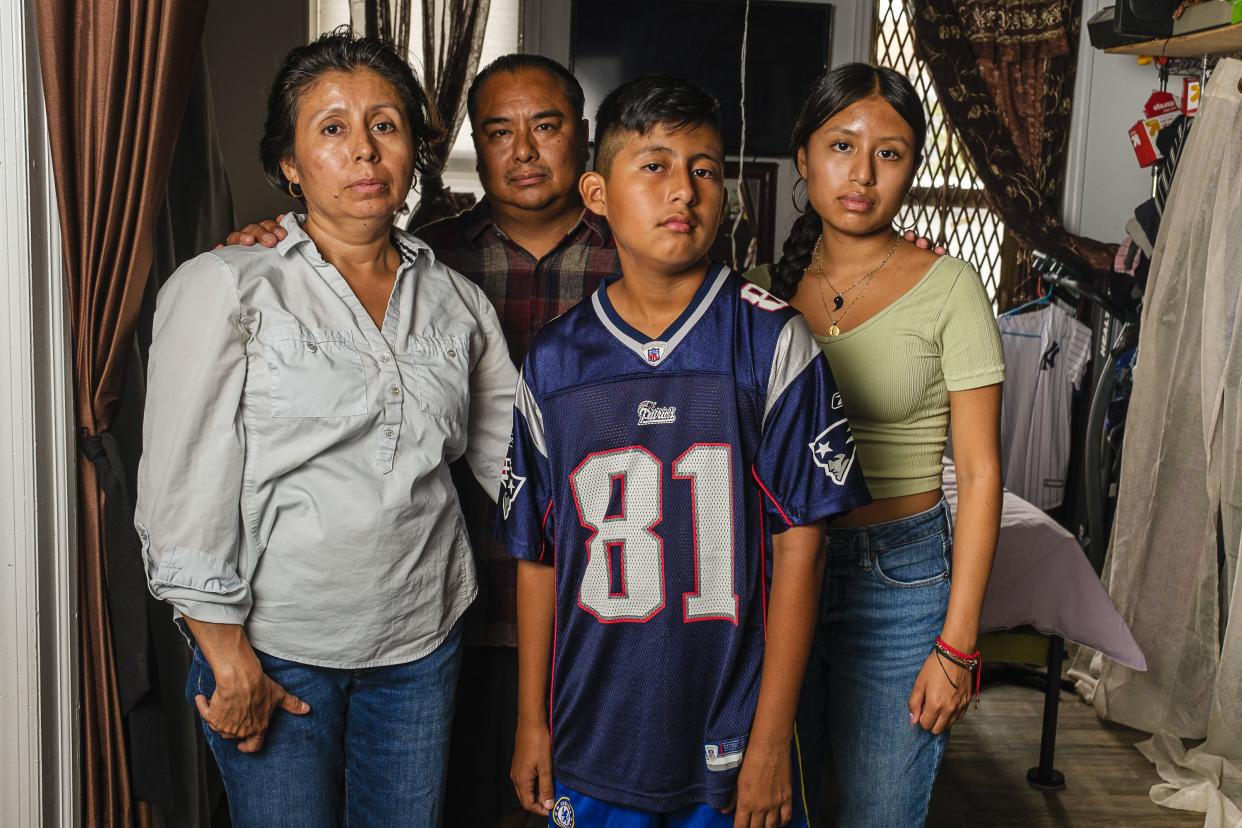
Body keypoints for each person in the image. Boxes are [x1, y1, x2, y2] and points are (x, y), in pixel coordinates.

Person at [135, 29, 517, 828]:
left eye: (385, 124)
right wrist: (226, 656)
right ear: (289, 162)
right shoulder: (227, 287)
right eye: (332, 128)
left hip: (421, 644)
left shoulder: (456, 301)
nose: (364, 150)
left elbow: (517, 463)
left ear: (414, 149)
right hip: (274, 651)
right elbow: (183, 488)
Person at [499, 74, 870, 828]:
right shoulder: (554, 362)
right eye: (656, 166)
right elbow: (536, 556)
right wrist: (532, 720)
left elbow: (803, 548)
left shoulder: (770, 342)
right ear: (597, 192)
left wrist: (770, 743)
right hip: (592, 731)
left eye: (705, 170)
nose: (686, 191)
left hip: (730, 737)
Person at [745, 63, 1004, 827]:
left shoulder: (949, 286)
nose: (862, 173)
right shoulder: (755, 289)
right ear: (803, 156)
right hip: (778, 571)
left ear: (913, 167)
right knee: (773, 806)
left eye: (889, 153)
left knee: (875, 812)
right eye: (841, 146)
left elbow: (983, 473)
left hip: (901, 581)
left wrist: (957, 646)